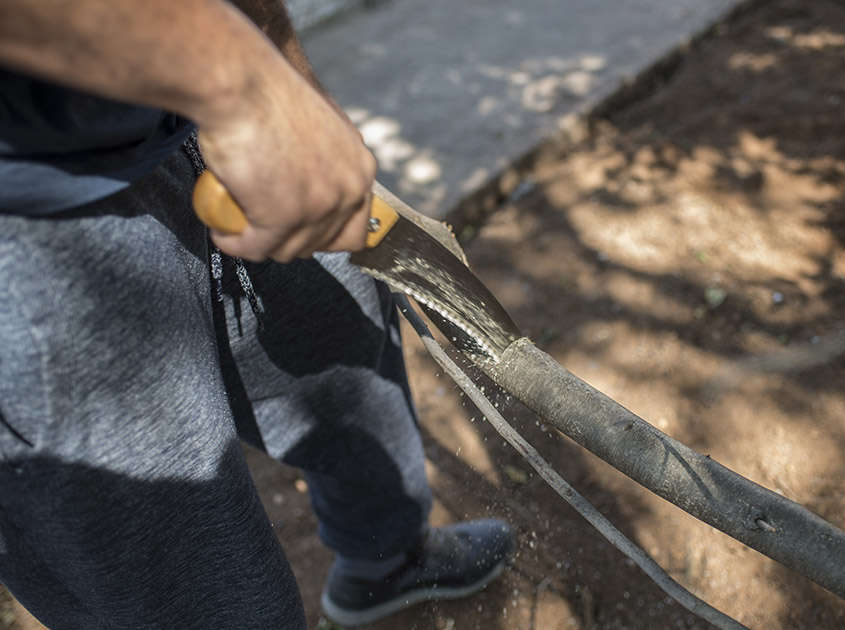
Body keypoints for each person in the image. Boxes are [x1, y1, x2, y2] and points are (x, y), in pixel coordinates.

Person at [0, 1, 513, 628]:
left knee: (350, 364)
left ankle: (387, 561)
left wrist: (286, 77)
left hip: (183, 113)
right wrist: (237, 77)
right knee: (189, 579)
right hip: (29, 230)